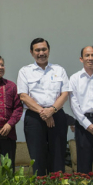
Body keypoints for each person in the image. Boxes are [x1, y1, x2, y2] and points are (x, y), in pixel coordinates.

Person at [17, 38, 70, 175]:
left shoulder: (59, 70)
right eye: (37, 50)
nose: (41, 53)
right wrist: (43, 112)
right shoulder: (25, 71)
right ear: (31, 52)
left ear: (49, 50)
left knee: (58, 155)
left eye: (44, 49)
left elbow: (65, 94)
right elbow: (23, 96)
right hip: (34, 117)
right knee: (37, 157)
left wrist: (51, 111)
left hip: (56, 114)